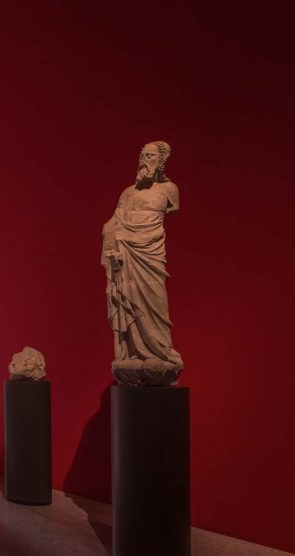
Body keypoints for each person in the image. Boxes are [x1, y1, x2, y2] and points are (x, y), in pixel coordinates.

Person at [101, 141, 183, 386]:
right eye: (142, 156)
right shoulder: (128, 193)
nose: (144, 161)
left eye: (150, 156)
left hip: (150, 255)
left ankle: (162, 351)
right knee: (128, 299)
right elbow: (114, 221)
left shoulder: (169, 190)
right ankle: (132, 353)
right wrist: (110, 239)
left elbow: (171, 210)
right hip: (126, 255)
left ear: (160, 162)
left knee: (155, 301)